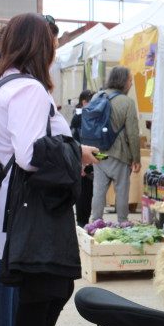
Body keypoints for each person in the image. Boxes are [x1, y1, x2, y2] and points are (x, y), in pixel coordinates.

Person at [0, 12, 97, 326]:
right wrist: (73, 150)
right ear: (40, 46)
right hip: (35, 205)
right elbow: (31, 154)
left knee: (50, 287)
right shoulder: (28, 90)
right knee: (44, 289)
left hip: (16, 203)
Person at [90, 66, 141, 222]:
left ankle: (95, 222)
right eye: (130, 80)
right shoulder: (127, 102)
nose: (131, 83)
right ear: (123, 81)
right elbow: (133, 134)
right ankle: (123, 223)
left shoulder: (96, 97)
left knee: (98, 190)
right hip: (118, 154)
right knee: (122, 191)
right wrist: (136, 159)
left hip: (98, 152)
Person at [71, 88, 95, 226]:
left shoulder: (87, 116)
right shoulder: (78, 117)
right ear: (84, 102)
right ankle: (82, 222)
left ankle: (84, 221)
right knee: (84, 191)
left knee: (89, 191)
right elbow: (74, 138)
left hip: (90, 157)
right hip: (82, 158)